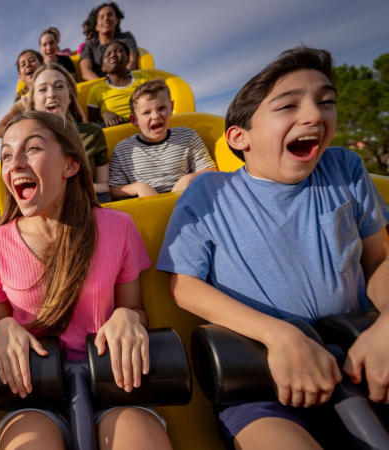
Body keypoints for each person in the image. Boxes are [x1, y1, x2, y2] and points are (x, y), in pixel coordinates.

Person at [157, 47, 389, 449]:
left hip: (361, 355)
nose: (315, 115)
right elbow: (183, 283)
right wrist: (279, 336)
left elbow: (380, 260)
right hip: (259, 378)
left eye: (326, 101)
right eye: (288, 106)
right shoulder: (209, 193)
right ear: (239, 137)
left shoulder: (344, 169)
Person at [0, 111, 171, 449]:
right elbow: (2, 327)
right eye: (6, 154)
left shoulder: (117, 228)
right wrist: (3, 327)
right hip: (35, 391)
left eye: (31, 149)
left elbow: (134, 309)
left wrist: (128, 316)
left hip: (114, 379)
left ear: (70, 165)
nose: (15, 163)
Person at [109, 79, 216, 199]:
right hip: (147, 209)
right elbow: (115, 189)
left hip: (188, 201)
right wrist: (139, 187)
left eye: (161, 108)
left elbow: (210, 170)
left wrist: (188, 179)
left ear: (172, 108)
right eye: (146, 112)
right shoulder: (123, 150)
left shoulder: (187, 136)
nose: (155, 116)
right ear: (134, 120)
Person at [25, 63, 111, 201]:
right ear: (33, 101)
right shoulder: (23, 142)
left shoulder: (93, 133)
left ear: (70, 96)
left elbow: (104, 188)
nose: (51, 94)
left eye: (59, 86)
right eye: (42, 89)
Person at [87, 41, 150, 127]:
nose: (113, 55)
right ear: (102, 67)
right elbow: (93, 123)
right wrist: (104, 115)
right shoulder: (96, 90)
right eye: (108, 54)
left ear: (127, 58)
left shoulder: (143, 78)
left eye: (118, 51)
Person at [79, 2, 138, 80]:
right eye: (101, 17)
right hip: (100, 85)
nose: (106, 18)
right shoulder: (90, 45)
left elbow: (132, 61)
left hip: (126, 79)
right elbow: (86, 71)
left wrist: (122, 78)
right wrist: (104, 85)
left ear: (117, 20)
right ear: (96, 27)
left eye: (110, 15)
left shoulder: (126, 37)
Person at [0, 50, 43, 138]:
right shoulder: (23, 103)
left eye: (32, 60)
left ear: (42, 65)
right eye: (23, 64)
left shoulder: (60, 85)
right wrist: (30, 133)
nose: (28, 65)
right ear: (20, 76)